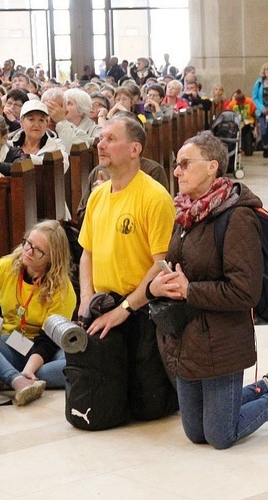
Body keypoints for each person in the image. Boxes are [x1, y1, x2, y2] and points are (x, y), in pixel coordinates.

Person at [149, 131, 268, 449]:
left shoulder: (237, 217)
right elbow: (173, 267)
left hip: (222, 339)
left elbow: (245, 292)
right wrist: (155, 286)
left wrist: (190, 291)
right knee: (195, 432)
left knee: (220, 435)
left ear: (213, 166)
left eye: (185, 164)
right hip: (187, 336)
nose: (176, 171)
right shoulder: (185, 213)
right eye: (177, 165)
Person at [77, 115, 178, 422]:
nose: (100, 144)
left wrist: (124, 308)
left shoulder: (154, 197)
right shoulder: (97, 195)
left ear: (134, 149)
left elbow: (161, 264)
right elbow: (86, 254)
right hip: (102, 304)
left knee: (149, 407)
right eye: (100, 138)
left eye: (110, 139)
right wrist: (85, 299)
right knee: (107, 399)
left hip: (142, 308)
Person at [0, 220, 76, 406]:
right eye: (28, 243)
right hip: (13, 340)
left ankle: (15, 375)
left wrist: (30, 369)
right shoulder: (4, 267)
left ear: (52, 258)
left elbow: (47, 341)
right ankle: (17, 380)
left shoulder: (63, 289)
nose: (28, 251)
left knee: (73, 363)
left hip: (46, 348)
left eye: (38, 250)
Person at [8, 100, 69, 175]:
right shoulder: (9, 144)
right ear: (21, 122)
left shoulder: (56, 145)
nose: (36, 125)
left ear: (46, 123)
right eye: (31, 119)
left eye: (41, 120)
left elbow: (62, 166)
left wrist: (28, 158)